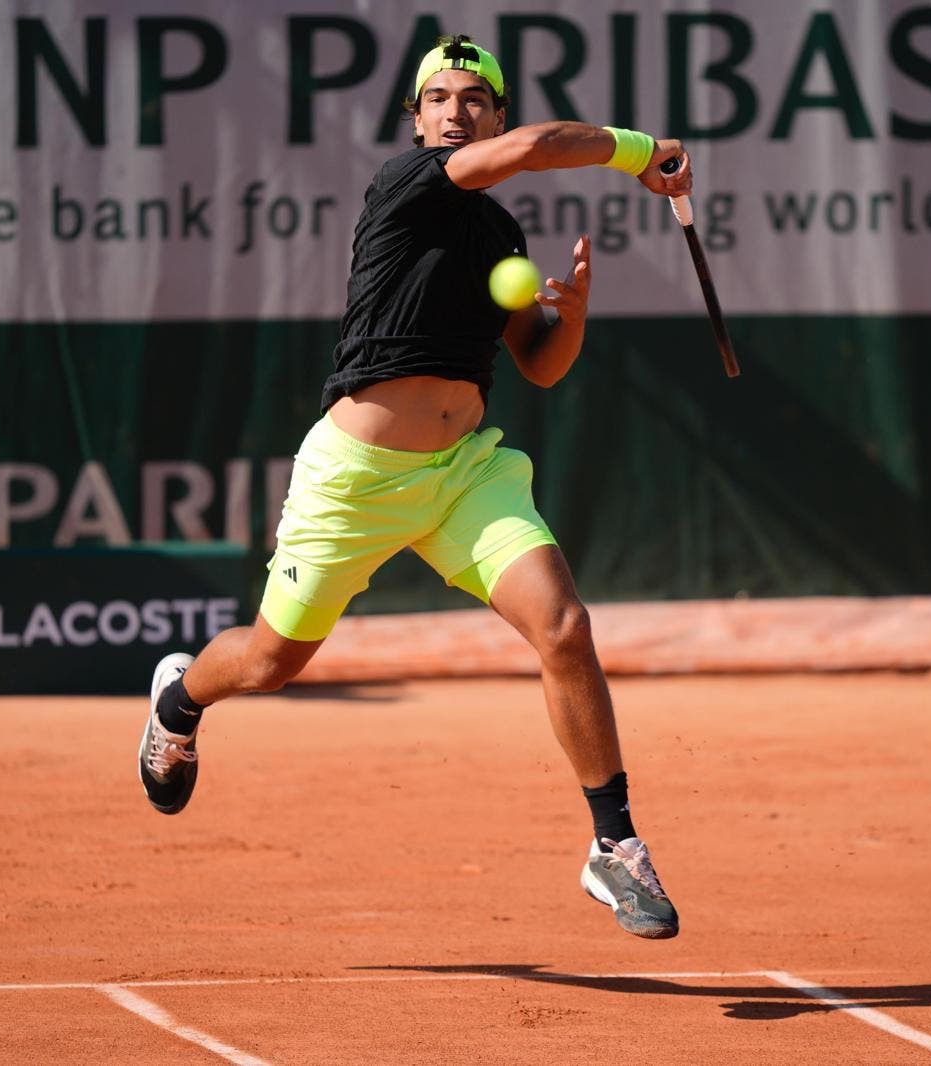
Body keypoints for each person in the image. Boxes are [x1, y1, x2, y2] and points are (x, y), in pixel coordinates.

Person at [138, 35, 689, 939]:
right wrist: (639, 152)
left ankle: (612, 844)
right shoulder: (407, 182)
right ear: (418, 117)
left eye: (476, 99)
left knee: (565, 627)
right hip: (354, 479)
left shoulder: (501, 236)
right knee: (274, 663)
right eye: (439, 97)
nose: (456, 111)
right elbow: (541, 150)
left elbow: (539, 365)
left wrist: (573, 320)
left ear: (494, 113)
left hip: (466, 473)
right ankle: (179, 700)